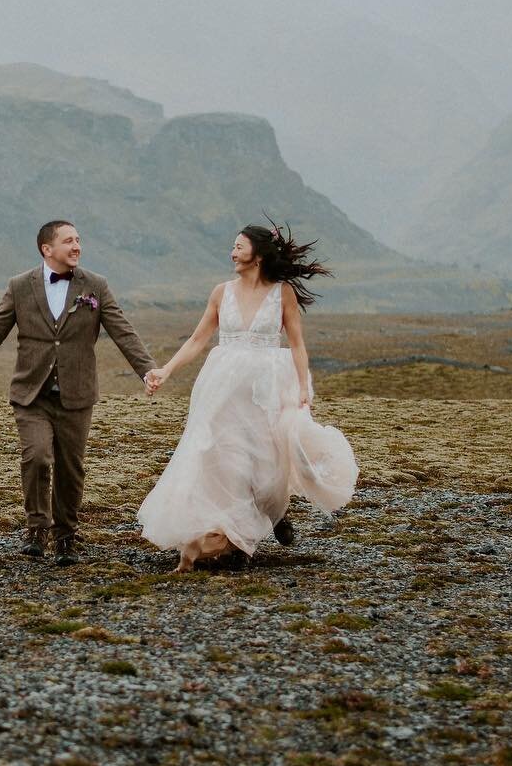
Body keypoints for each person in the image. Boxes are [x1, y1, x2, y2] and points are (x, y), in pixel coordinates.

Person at [138, 222, 358, 572]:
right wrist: (166, 370)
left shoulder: (282, 293)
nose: (232, 252)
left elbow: (298, 344)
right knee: (225, 461)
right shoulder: (220, 292)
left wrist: (303, 387)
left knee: (264, 463)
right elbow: (198, 339)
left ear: (257, 254)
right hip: (222, 388)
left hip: (267, 389)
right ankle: (237, 538)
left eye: (239, 246)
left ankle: (273, 514)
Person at [0, 220, 157, 565]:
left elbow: (123, 332)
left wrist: (147, 369)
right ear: (47, 249)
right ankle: (35, 531)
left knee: (71, 469)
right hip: (32, 394)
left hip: (77, 395)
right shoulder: (19, 286)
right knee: (37, 456)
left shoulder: (96, 286)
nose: (77, 246)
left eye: (78, 240)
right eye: (68, 241)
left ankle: (65, 538)